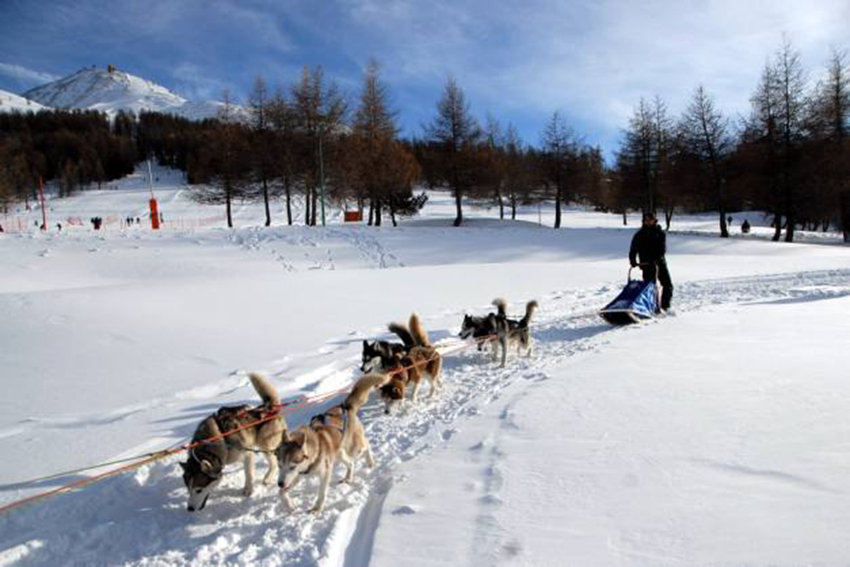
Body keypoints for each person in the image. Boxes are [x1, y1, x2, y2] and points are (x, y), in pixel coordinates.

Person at [629, 212, 673, 311]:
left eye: (650, 220)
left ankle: (665, 306)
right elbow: (633, 249)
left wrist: (656, 259)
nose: (648, 222)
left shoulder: (659, 233)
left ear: (654, 221)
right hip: (646, 264)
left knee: (667, 284)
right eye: (646, 220)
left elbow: (662, 249)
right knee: (649, 287)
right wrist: (633, 260)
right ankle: (651, 306)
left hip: (659, 263)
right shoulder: (639, 234)